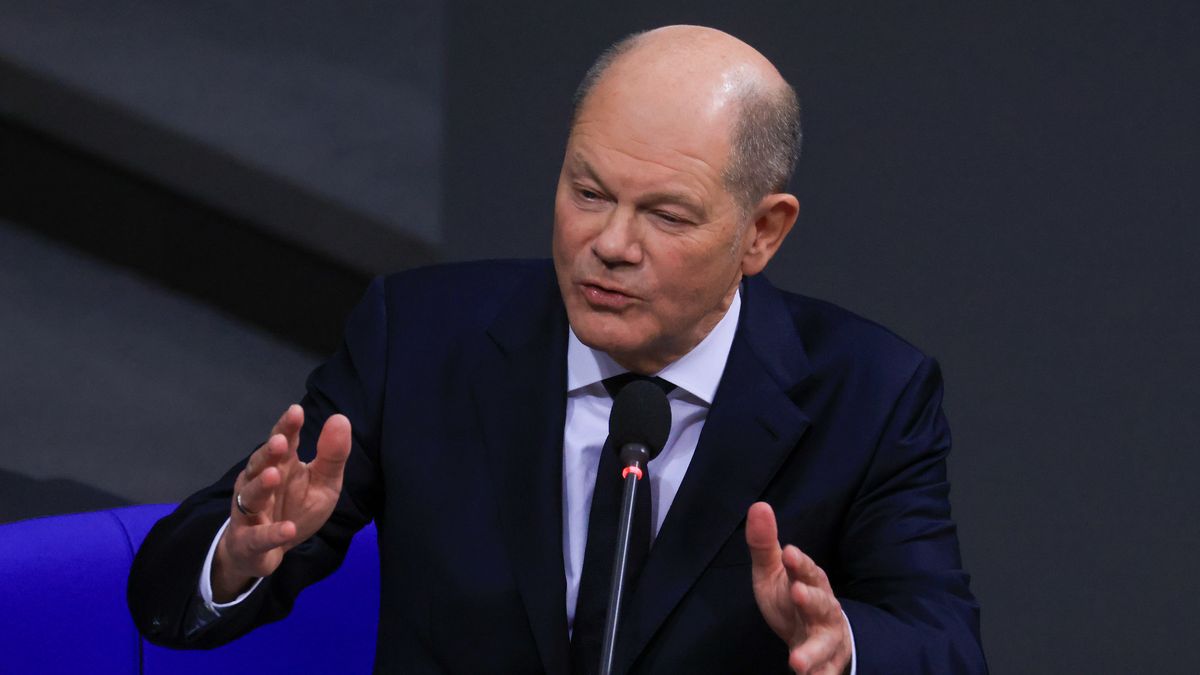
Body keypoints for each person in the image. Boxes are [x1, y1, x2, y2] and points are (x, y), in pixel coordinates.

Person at [128, 25, 986, 674]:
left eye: (666, 214)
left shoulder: (869, 394)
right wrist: (239, 553)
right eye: (588, 191)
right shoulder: (423, 337)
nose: (609, 243)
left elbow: (945, 644)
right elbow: (164, 595)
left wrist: (845, 648)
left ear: (762, 232)